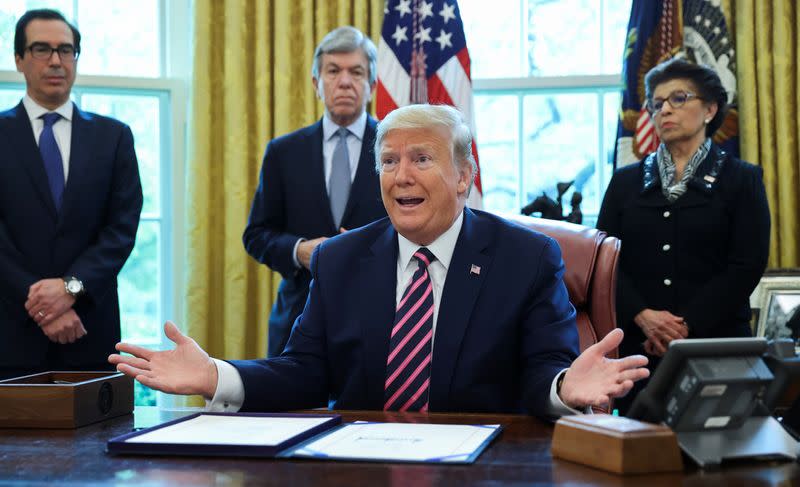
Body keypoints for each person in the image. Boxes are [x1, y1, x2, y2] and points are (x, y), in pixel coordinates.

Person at [111, 104, 648, 417]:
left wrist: (563, 390)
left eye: (421, 159)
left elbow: (542, 374)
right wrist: (215, 376)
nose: (401, 176)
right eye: (389, 161)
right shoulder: (341, 259)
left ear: (464, 176)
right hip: (358, 465)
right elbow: (305, 372)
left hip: (482, 467)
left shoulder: (526, 257)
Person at [597, 59, 770, 412]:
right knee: (640, 456)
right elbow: (604, 259)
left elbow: (746, 265)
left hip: (717, 344)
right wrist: (643, 315)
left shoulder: (741, 179)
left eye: (679, 98)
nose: (665, 110)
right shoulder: (625, 182)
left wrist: (684, 326)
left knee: (719, 452)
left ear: (710, 109)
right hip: (640, 349)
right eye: (657, 103)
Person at [0, 9, 143, 380]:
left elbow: (121, 230)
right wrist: (44, 305)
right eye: (41, 49)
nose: (56, 61)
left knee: (99, 437)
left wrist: (70, 289)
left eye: (66, 50)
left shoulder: (114, 137)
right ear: (19, 58)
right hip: (10, 333)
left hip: (89, 331)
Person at [243, 26, 387, 358]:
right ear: (316, 83)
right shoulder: (283, 152)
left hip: (378, 319)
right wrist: (299, 250)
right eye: (333, 71)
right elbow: (256, 234)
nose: (345, 81)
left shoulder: (396, 150)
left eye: (357, 72)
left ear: (372, 86)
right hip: (298, 318)